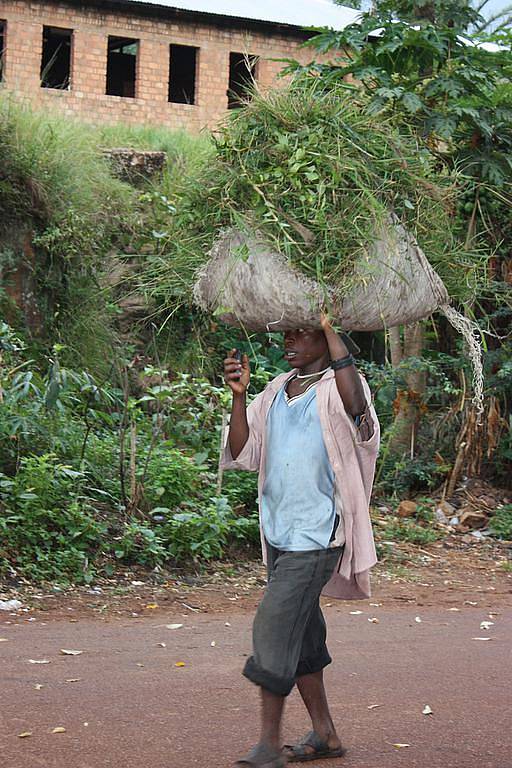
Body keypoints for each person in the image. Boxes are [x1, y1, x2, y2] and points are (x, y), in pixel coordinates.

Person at [222, 314, 380, 767]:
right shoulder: (275, 390)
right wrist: (238, 398)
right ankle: (326, 735)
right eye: (286, 333)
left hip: (320, 535)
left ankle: (268, 746)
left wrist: (331, 329)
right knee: (304, 634)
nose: (289, 340)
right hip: (280, 534)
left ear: (326, 341)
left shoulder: (340, 386)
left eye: (301, 332)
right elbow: (242, 451)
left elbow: (358, 413)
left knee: (273, 625)